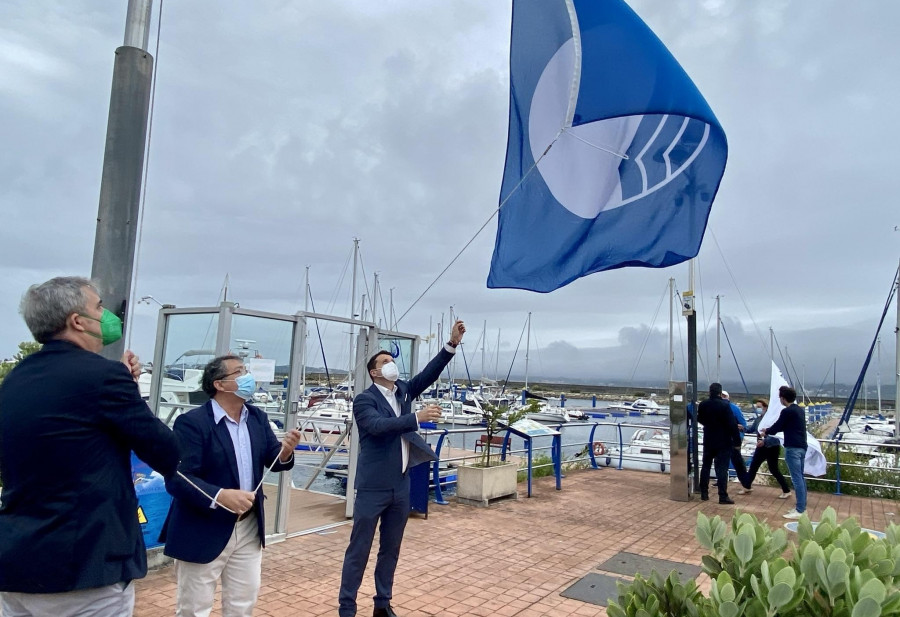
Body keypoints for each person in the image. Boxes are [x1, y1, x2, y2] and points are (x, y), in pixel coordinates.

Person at [0, 276, 180, 616]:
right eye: (99, 307)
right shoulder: (104, 376)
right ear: (77, 321)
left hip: (18, 563)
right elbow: (167, 452)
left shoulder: (16, 378)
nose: (106, 316)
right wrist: (129, 390)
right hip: (84, 567)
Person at [339, 320, 466, 617]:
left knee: (391, 549)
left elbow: (430, 374)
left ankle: (382, 604)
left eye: (393, 361)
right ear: (374, 372)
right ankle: (347, 608)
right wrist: (416, 419)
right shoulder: (364, 399)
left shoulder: (404, 392)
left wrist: (452, 344)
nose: (391, 365)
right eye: (385, 362)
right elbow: (377, 426)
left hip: (400, 486)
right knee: (358, 552)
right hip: (373, 487)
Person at [160, 355, 302, 617]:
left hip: (248, 527)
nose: (248, 376)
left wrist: (285, 452)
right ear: (220, 385)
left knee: (242, 605)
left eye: (246, 369)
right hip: (203, 527)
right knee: (194, 609)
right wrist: (220, 496)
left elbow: (273, 458)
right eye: (240, 372)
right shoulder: (192, 423)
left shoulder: (257, 417)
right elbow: (178, 478)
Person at [762, 385, 807, 519]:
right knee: (801, 477)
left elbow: (778, 426)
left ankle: (800, 510)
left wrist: (767, 431)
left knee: (796, 478)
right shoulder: (799, 410)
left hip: (792, 448)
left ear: (783, 398)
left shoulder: (787, 412)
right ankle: (802, 505)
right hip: (802, 446)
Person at [697, 382, 741, 504]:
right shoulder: (725, 406)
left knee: (705, 466)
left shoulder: (703, 404)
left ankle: (704, 493)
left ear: (709, 391)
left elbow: (699, 418)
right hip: (723, 441)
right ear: (720, 393)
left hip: (708, 439)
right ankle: (722, 496)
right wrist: (737, 441)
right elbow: (732, 424)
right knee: (722, 469)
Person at [738, 399, 791, 499]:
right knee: (754, 466)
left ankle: (786, 490)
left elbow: (775, 432)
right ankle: (747, 486)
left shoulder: (773, 419)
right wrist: (742, 428)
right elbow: (752, 429)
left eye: (760, 407)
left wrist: (765, 441)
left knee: (773, 469)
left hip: (771, 447)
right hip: (761, 447)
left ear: (766, 407)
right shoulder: (758, 419)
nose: (759, 410)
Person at [721, 390, 750, 488]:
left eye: (724, 396)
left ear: (728, 397)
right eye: (720, 396)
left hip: (733, 439)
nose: (722, 397)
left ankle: (745, 483)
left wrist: (737, 427)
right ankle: (722, 479)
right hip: (723, 438)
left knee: (736, 460)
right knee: (722, 460)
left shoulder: (735, 409)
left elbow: (743, 425)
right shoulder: (718, 408)